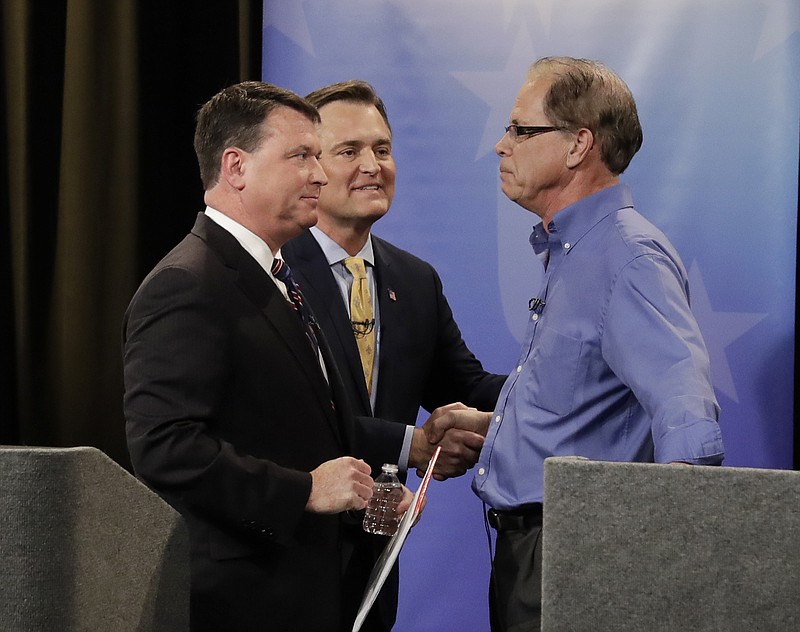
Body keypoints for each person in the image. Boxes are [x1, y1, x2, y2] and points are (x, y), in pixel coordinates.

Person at [122, 81, 416, 632]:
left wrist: (369, 496)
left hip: (306, 594)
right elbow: (166, 448)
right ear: (236, 166)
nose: (320, 174)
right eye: (301, 156)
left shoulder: (274, 274)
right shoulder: (187, 284)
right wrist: (304, 491)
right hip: (240, 604)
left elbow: (296, 425)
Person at [458, 57, 725, 631]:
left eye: (521, 130)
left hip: (575, 553)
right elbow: (579, 401)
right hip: (535, 554)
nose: (502, 146)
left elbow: (687, 410)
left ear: (579, 144)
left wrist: (670, 560)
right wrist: (501, 424)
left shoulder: (627, 257)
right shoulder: (576, 253)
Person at [281, 79, 506, 630]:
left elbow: (466, 387)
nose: (373, 165)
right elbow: (302, 416)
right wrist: (417, 444)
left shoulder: (415, 280)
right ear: (311, 165)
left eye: (383, 149)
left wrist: (557, 386)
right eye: (348, 151)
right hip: (288, 549)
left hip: (377, 553)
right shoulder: (274, 269)